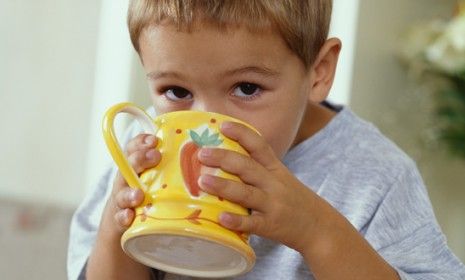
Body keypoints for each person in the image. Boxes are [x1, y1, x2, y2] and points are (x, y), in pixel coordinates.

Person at [68, 0, 465, 279]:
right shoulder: (145, 148)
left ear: (319, 71)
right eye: (176, 91)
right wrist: (116, 226)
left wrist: (317, 230)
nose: (212, 127)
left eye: (245, 88)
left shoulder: (376, 174)